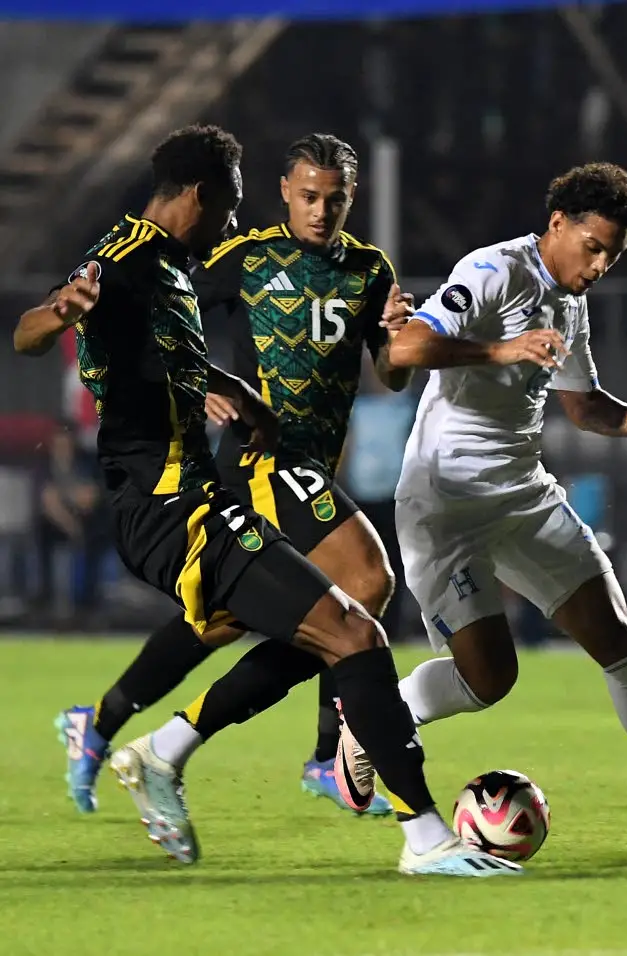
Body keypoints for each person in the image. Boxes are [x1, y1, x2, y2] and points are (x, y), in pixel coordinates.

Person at [15, 124, 516, 877]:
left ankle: (153, 744)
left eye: (333, 199)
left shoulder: (189, 267)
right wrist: (58, 311)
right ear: (202, 195)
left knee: (305, 627)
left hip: (204, 495)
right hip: (185, 504)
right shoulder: (131, 257)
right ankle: (414, 830)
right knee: (359, 617)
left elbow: (177, 359)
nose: (236, 220)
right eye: (234, 203)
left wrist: (234, 389)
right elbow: (29, 330)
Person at [339, 162, 627, 860]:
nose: (599, 266)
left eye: (612, 255)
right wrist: (500, 347)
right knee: (488, 679)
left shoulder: (570, 303)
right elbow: (403, 348)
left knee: (620, 640)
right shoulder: (493, 271)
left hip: (524, 496)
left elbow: (583, 406)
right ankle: (376, 717)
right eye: (592, 246)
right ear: (558, 224)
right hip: (446, 503)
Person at [53, 132, 412, 819]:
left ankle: (100, 722)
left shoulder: (368, 271)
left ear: (351, 198)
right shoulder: (245, 257)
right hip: (259, 458)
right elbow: (166, 306)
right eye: (308, 196)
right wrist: (202, 382)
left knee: (220, 621)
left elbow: (393, 377)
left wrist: (397, 341)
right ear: (284, 191)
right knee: (365, 583)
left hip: (312, 465)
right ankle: (327, 755)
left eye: (334, 200)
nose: (320, 210)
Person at [33, 422, 110, 618]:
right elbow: (48, 501)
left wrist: (68, 498)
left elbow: (90, 497)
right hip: (56, 523)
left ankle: (88, 603)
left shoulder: (86, 462)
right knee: (43, 536)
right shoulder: (44, 464)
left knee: (97, 537)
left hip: (85, 521)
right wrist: (71, 524)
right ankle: (47, 599)